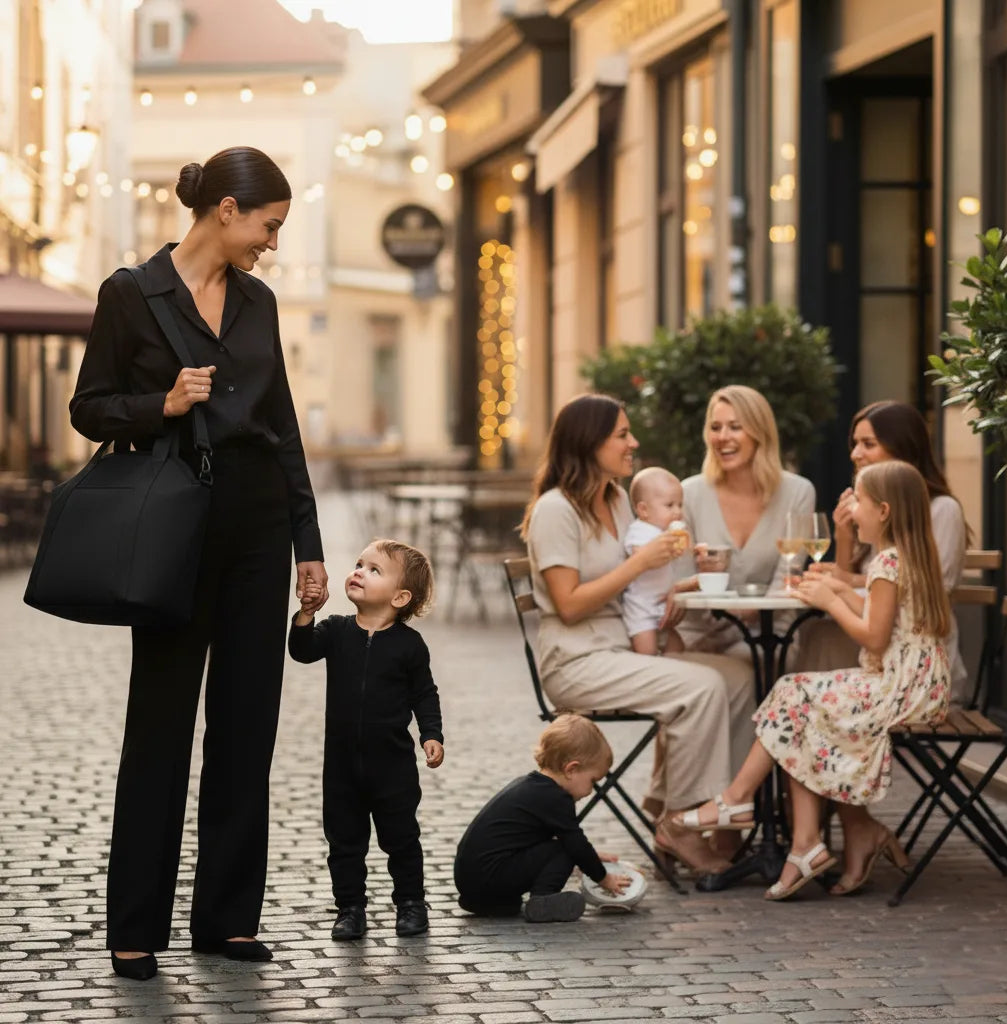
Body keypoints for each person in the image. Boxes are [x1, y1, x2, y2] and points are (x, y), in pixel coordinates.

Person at [69, 147, 327, 980]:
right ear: (225, 210)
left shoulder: (260, 303)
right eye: (268, 225)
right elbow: (89, 407)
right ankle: (134, 925)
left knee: (247, 731)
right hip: (173, 526)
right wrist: (162, 403)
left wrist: (308, 546)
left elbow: (282, 426)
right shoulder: (130, 294)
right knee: (160, 729)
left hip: (256, 526)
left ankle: (226, 920)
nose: (273, 242)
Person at [682, 461, 951, 900]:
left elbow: (874, 636)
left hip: (899, 690)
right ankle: (801, 845)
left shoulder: (887, 562)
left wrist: (832, 600)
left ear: (883, 511)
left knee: (794, 691)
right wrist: (845, 589)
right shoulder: (905, 556)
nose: (850, 509)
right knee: (801, 703)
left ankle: (738, 799)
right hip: (918, 685)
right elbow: (886, 613)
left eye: (857, 500)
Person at [519, 393, 755, 876]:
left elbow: (638, 582)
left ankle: (676, 805)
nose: (634, 442)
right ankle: (680, 824)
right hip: (577, 660)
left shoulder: (617, 499)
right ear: (590, 443)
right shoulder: (555, 510)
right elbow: (568, 604)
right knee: (701, 686)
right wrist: (639, 563)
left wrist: (683, 582)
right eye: (622, 435)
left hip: (623, 648)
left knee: (739, 676)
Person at [289, 539, 444, 940]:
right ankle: (350, 909)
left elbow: (424, 693)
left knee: (401, 838)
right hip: (341, 766)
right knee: (344, 842)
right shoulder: (338, 630)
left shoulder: (409, 645)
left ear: (400, 596)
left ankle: (411, 903)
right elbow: (301, 651)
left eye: (374, 570)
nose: (358, 571)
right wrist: (306, 615)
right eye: (359, 564)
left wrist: (431, 734)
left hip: (391, 767)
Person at [799, 400, 968, 701]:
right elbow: (853, 577)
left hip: (913, 662)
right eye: (855, 444)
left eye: (868, 443)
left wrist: (849, 584)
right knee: (817, 631)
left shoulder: (941, 509)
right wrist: (844, 534)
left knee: (822, 637)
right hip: (877, 645)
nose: (855, 454)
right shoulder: (872, 511)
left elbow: (924, 590)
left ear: (902, 447)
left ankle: (820, 731)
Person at [676, 385, 815, 657]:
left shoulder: (798, 492)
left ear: (759, 433)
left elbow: (786, 582)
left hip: (770, 635)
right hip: (699, 637)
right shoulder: (688, 494)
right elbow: (682, 582)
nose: (722, 437)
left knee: (754, 663)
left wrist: (740, 617)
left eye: (735, 427)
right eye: (715, 427)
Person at [454, 715, 630, 922]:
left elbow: (541, 843)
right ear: (571, 769)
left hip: (472, 881)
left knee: (566, 846)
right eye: (593, 781)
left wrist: (591, 855)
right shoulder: (556, 798)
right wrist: (604, 878)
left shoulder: (532, 787)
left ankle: (489, 902)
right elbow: (573, 843)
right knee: (565, 848)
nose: (591, 790)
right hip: (491, 876)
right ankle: (543, 899)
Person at [622, 467, 692, 656]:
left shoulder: (665, 532)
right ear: (643, 510)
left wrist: (696, 550)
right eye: (669, 505)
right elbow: (638, 555)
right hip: (641, 608)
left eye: (680, 505)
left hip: (661, 605)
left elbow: (683, 552)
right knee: (647, 651)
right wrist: (660, 550)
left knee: (678, 647)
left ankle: (671, 674)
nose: (677, 512)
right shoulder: (640, 530)